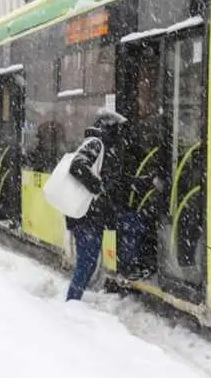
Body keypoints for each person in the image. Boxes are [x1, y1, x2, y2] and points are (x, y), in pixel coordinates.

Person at [64, 109, 155, 301]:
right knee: (87, 263)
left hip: (99, 214)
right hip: (86, 215)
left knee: (133, 222)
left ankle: (128, 267)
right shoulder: (95, 144)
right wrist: (98, 188)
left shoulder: (107, 148)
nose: (123, 135)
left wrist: (145, 182)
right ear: (109, 128)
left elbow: (117, 179)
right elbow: (77, 166)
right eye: (119, 130)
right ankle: (72, 302)